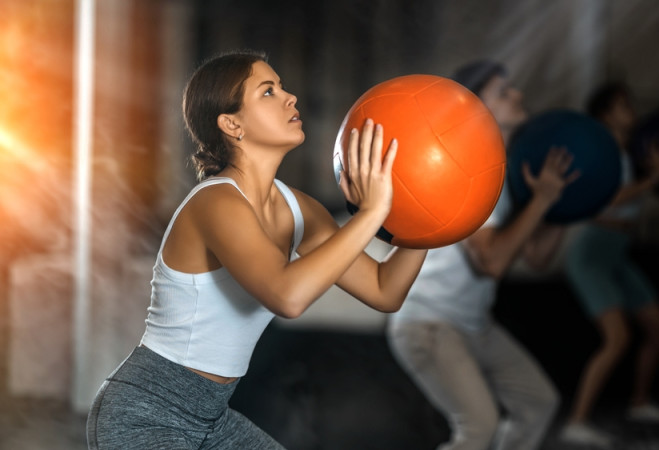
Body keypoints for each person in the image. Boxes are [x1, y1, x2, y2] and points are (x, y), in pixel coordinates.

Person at [85, 50, 428, 449]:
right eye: (268, 91)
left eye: (282, 87)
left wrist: (427, 220)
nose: (290, 97)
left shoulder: (298, 209)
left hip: (211, 418)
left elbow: (385, 290)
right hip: (145, 414)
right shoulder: (215, 203)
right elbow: (288, 296)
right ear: (232, 124)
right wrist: (371, 214)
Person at [387, 60, 578, 450]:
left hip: (473, 324)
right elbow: (490, 261)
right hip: (429, 324)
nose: (518, 95)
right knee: (479, 428)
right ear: (475, 109)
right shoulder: (468, 169)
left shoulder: (505, 174)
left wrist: (560, 206)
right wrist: (540, 202)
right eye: (504, 92)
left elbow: (538, 256)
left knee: (539, 404)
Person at [559, 82, 659, 448]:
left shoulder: (625, 154)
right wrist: (653, 179)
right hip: (592, 254)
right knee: (618, 339)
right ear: (606, 115)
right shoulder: (602, 151)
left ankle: (639, 404)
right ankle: (576, 423)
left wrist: (652, 173)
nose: (632, 110)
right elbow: (607, 199)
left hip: (617, 252)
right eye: (624, 105)